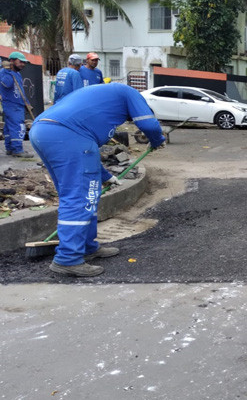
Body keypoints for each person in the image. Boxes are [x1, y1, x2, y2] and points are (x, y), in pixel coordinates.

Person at [30, 83, 166, 277]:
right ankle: (68, 259)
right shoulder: (130, 93)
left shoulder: (100, 99)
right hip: (66, 134)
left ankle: (87, 247)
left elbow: (88, 156)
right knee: (80, 199)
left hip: (44, 130)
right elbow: (148, 124)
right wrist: (157, 140)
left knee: (86, 195)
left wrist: (106, 177)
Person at [0, 51, 34, 158]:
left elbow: (20, 91)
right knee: (18, 126)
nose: (23, 64)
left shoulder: (17, 74)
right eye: (20, 62)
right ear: (11, 61)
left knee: (9, 127)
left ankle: (10, 148)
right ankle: (18, 149)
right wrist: (7, 71)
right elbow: (7, 84)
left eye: (24, 62)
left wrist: (26, 103)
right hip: (11, 105)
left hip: (18, 104)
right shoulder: (5, 73)